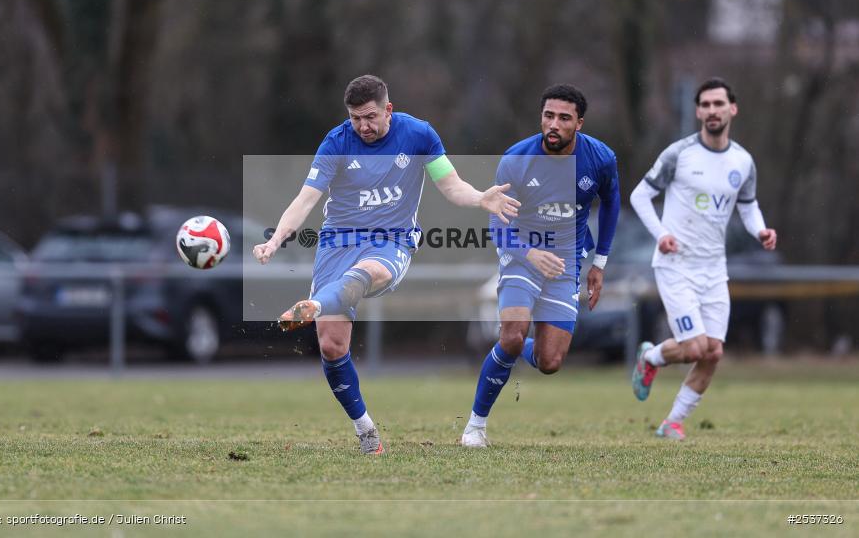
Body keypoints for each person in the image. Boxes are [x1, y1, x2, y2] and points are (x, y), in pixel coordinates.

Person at [253, 75, 519, 454]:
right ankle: (367, 433)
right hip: (337, 243)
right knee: (331, 346)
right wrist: (275, 240)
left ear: (388, 109)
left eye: (370, 117)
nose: (362, 126)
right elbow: (305, 199)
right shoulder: (336, 142)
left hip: (392, 241)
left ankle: (316, 304)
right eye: (355, 118)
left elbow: (451, 185)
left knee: (366, 274)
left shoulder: (419, 135)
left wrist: (480, 198)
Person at [460, 84, 620, 448]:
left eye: (564, 118)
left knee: (550, 361)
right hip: (521, 256)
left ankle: (515, 343)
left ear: (579, 123)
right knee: (511, 335)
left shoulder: (600, 158)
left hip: (566, 262)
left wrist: (599, 263)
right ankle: (475, 427)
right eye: (548, 116)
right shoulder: (516, 160)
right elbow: (497, 226)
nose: (554, 124)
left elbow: (612, 202)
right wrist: (530, 254)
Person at [629, 77, 777, 440]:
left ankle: (672, 422)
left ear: (732, 109)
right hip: (676, 265)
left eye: (718, 104)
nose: (712, 110)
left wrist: (760, 230)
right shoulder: (679, 154)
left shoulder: (743, 161)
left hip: (714, 269)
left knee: (712, 353)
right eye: (706, 105)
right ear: (697, 111)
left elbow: (748, 205)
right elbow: (639, 196)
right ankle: (650, 358)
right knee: (695, 346)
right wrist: (661, 234)